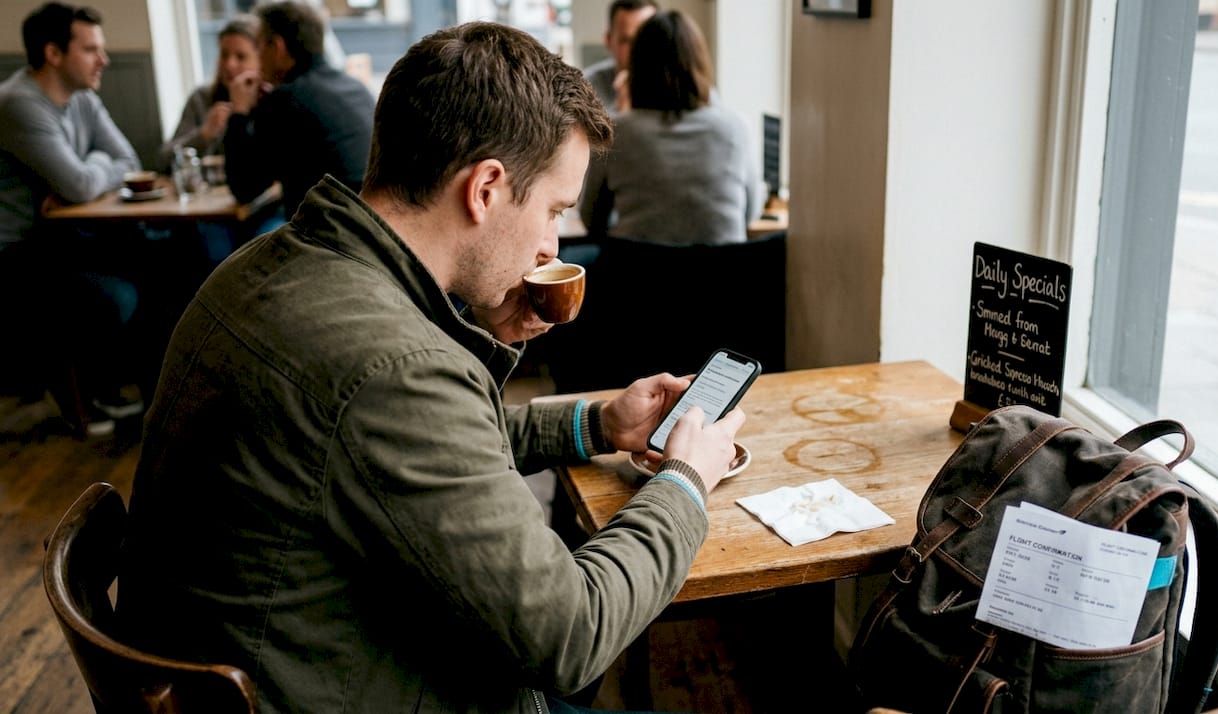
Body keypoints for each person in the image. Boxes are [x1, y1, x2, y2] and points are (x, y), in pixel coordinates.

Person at [116, 20, 746, 714]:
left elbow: (417, 453)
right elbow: (574, 632)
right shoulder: (394, 366)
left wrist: (594, 422)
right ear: (485, 189)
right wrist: (686, 480)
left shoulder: (262, 266)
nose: (550, 243)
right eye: (553, 211)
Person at [0, 2, 145, 433]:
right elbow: (81, 186)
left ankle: (123, 393)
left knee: (157, 256)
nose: (105, 59)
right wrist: (88, 176)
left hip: (61, 240)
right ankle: (73, 398)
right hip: (15, 253)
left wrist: (89, 168)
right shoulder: (18, 104)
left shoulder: (84, 97)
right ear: (53, 53)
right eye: (91, 49)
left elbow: (127, 160)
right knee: (117, 295)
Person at [579, 10, 763, 246]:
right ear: (700, 63)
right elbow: (749, 215)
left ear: (638, 65)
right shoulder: (736, 128)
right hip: (722, 278)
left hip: (634, 276)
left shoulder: (617, 133)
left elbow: (591, 220)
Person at [223, 1, 374, 220]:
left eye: (258, 46)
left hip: (327, 240)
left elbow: (243, 189)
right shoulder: (355, 88)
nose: (258, 56)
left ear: (277, 47)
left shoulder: (286, 100)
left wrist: (239, 112)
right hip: (374, 232)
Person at [156, 14, 260, 168]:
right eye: (224, 55)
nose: (229, 64)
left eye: (240, 57)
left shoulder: (274, 100)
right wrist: (203, 135)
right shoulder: (201, 98)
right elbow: (163, 160)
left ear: (261, 59)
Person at [582, 0, 658, 114]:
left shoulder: (680, 84)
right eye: (627, 41)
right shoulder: (586, 90)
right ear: (608, 41)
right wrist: (621, 113)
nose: (639, 49)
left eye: (648, 39)